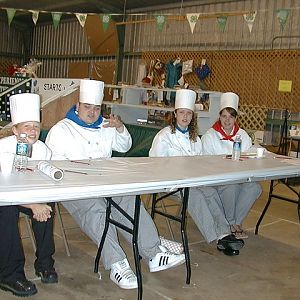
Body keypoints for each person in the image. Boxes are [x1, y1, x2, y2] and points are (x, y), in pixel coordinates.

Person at [45, 79, 185, 290]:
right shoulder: (62, 130)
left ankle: (153, 253)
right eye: (87, 108)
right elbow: (53, 165)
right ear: (77, 106)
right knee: (97, 211)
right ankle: (117, 264)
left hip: (107, 182)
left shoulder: (106, 125)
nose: (92, 113)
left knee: (130, 200)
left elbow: (125, 144)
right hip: (74, 187)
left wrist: (119, 128)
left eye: (96, 108)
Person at [149, 89, 244, 256]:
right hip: (171, 182)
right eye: (182, 113)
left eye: (189, 114)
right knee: (196, 196)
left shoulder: (195, 138)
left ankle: (225, 232)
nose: (185, 117)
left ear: (192, 116)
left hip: (193, 181)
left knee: (210, 192)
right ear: (175, 114)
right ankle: (217, 237)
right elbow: (154, 163)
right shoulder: (164, 136)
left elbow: (199, 163)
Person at [0, 93, 57, 298]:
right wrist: (33, 205)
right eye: (27, 126)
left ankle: (45, 263)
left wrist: (39, 202)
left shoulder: (43, 150)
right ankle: (9, 273)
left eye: (36, 126)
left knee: (48, 205)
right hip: (3, 196)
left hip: (25, 195)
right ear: (15, 129)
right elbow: (6, 189)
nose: (33, 131)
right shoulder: (3, 148)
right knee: (5, 211)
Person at [201, 92, 262, 239]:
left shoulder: (243, 135)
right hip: (216, 177)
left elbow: (248, 157)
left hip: (238, 176)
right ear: (219, 117)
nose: (227, 120)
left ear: (236, 118)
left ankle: (235, 222)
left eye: (231, 116)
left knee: (255, 188)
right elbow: (205, 162)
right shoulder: (210, 136)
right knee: (231, 187)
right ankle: (230, 224)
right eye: (224, 116)